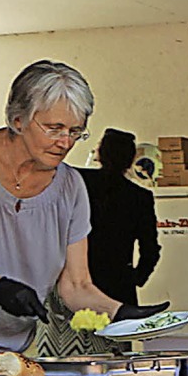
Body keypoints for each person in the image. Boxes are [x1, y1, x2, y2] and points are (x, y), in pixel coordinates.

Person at [0, 59, 167, 359]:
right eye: (54, 128)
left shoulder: (70, 186)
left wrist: (120, 311)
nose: (65, 142)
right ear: (18, 118)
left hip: (19, 350)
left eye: (76, 131)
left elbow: (75, 285)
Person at [36, 127, 162, 356]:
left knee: (62, 357)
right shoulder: (140, 198)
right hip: (116, 287)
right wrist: (134, 278)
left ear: (100, 154)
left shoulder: (78, 181)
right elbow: (151, 251)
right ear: (131, 158)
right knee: (111, 363)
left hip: (69, 281)